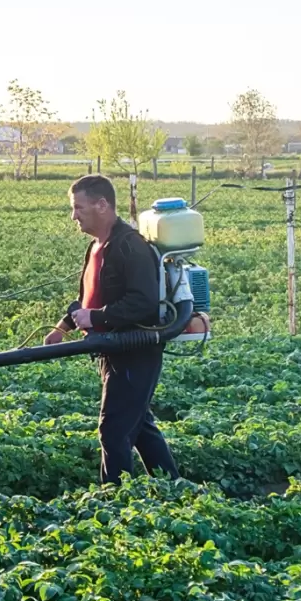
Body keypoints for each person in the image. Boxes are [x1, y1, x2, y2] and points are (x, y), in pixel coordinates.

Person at [43, 174, 181, 484]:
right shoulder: (96, 247)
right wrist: (63, 327)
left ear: (102, 205)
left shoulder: (130, 246)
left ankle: (116, 499)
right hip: (111, 351)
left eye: (78, 207)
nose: (74, 216)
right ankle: (173, 488)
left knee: (114, 430)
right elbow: (87, 299)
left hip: (135, 352)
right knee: (140, 427)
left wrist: (97, 318)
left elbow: (143, 302)